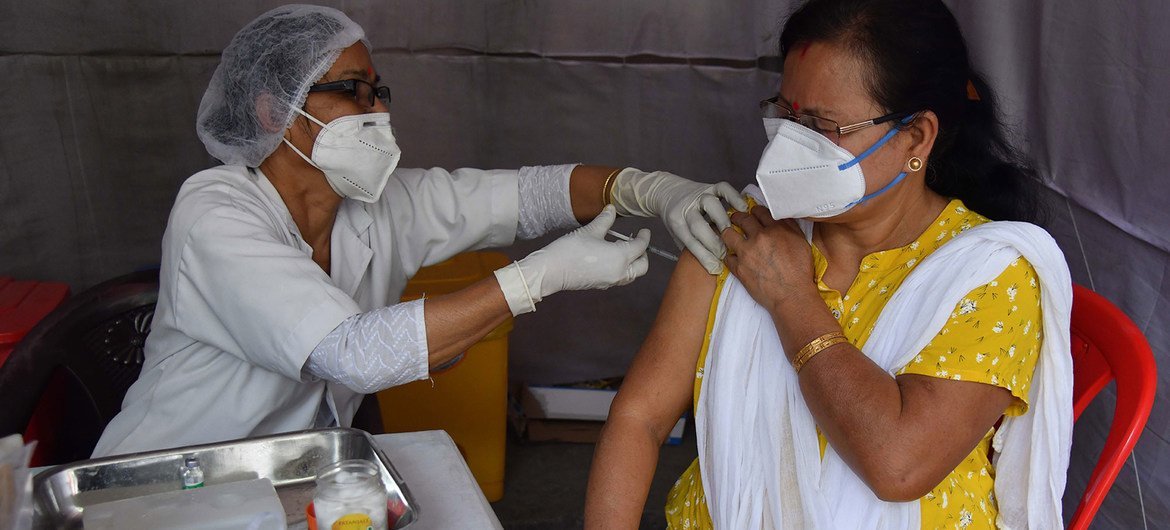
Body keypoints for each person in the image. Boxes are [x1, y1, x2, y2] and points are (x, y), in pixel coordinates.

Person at [93, 4, 747, 457]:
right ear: (277, 111)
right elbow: (348, 353)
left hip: (287, 482)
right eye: (351, 90)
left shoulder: (382, 204)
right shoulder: (215, 212)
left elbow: (530, 194)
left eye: (379, 92)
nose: (376, 111)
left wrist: (649, 189)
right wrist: (537, 278)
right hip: (165, 488)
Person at [584, 0, 1073, 528]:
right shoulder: (744, 235)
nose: (792, 143)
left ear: (915, 137)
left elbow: (897, 466)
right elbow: (639, 419)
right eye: (787, 114)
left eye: (822, 125)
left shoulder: (988, 274)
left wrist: (791, 299)